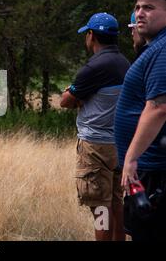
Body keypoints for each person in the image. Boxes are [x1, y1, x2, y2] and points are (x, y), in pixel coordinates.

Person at [60, 12, 130, 241]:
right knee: (117, 203)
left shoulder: (93, 68)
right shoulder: (124, 62)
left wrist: (79, 96)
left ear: (91, 36)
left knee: (100, 209)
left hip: (94, 147)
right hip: (119, 144)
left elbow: (65, 101)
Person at [115, 0, 166, 241]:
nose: (139, 13)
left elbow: (159, 108)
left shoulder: (163, 49)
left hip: (152, 170)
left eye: (149, 7)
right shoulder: (155, 48)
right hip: (147, 168)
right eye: (137, 7)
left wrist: (131, 158)